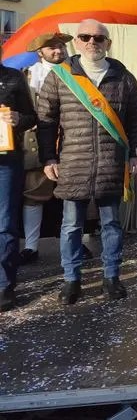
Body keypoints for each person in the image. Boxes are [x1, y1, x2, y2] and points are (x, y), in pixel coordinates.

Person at [37, 19, 137, 304]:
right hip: (73, 161)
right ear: (76, 42)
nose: (91, 43)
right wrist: (47, 157)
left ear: (108, 44)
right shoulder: (60, 76)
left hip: (112, 163)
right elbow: (46, 121)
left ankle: (111, 277)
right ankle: (71, 280)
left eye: (98, 38)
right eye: (85, 37)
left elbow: (136, 120)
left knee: (111, 225)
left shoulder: (124, 78)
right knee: (71, 225)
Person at [19, 33, 71, 264]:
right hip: (38, 141)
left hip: (71, 140)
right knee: (34, 193)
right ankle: (31, 246)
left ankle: (73, 242)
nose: (58, 50)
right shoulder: (28, 76)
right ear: (40, 52)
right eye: (51, 47)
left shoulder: (76, 73)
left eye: (60, 45)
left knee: (73, 194)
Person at [0, 42, 37, 312]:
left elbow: (30, 117)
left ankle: (4, 285)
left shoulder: (13, 78)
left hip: (6, 161)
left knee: (5, 224)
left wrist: (18, 118)